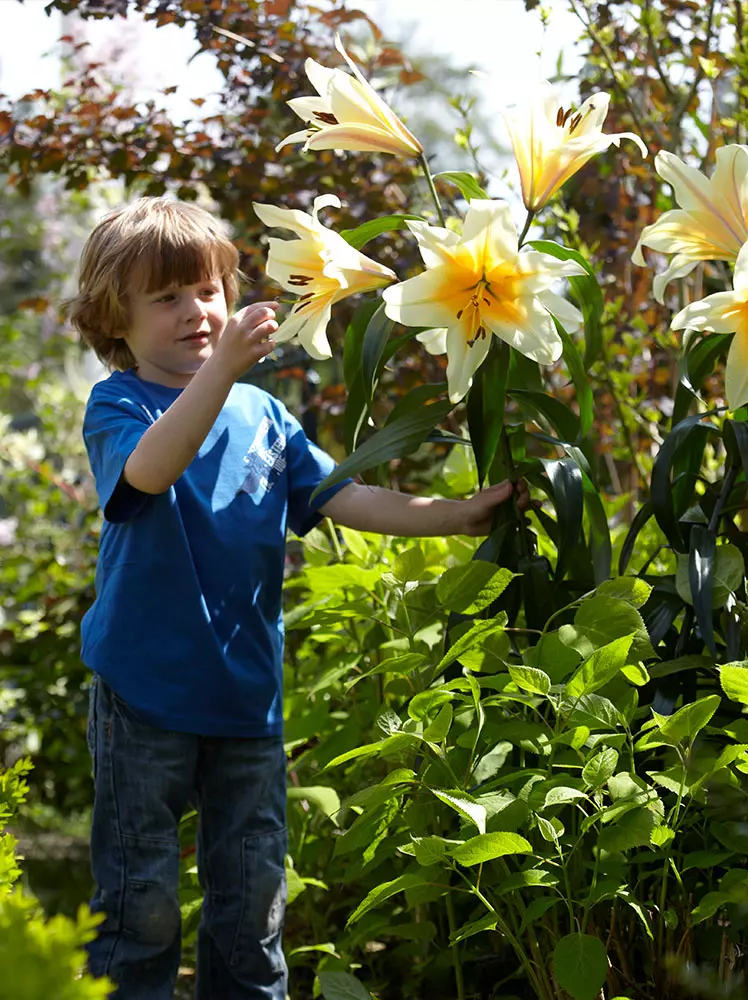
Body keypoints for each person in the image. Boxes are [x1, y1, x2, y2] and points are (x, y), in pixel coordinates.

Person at [68, 196, 529, 1000]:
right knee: (139, 907)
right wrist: (220, 371)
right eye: (167, 297)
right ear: (115, 316)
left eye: (208, 290)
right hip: (143, 696)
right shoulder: (121, 406)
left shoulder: (265, 417)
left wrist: (456, 515)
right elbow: (148, 472)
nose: (197, 312)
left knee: (252, 909)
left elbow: (345, 499)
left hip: (246, 701)